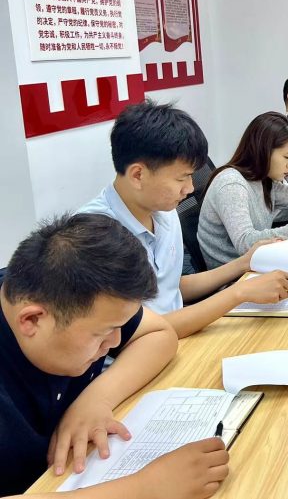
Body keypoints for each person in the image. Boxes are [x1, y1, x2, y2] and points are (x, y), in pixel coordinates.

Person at [0, 213, 229, 498]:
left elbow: (159, 333)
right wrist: (144, 489)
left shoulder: (69, 294)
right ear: (32, 320)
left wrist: (96, 399)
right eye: (103, 333)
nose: (117, 341)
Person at [79, 101, 288, 339]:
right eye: (182, 178)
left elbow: (170, 289)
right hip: (148, 347)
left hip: (180, 338)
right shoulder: (94, 237)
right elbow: (134, 332)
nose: (190, 189)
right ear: (138, 175)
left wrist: (243, 263)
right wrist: (239, 293)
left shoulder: (164, 211)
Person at [198, 112, 288, 269]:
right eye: (287, 157)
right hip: (235, 276)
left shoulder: (265, 181)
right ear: (264, 151)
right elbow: (245, 244)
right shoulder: (231, 184)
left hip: (259, 264)